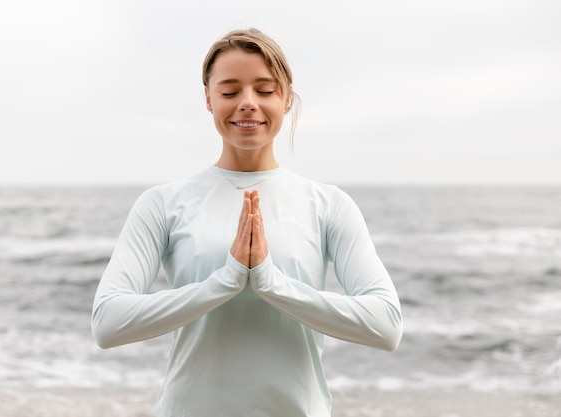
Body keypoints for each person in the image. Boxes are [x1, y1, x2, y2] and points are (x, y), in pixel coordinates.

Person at [91, 27, 403, 417]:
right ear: (208, 99)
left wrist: (271, 282)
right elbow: (108, 323)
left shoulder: (328, 204)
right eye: (229, 91)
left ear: (287, 99)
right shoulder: (163, 204)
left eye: (265, 90)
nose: (248, 103)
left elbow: (386, 325)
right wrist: (226, 281)